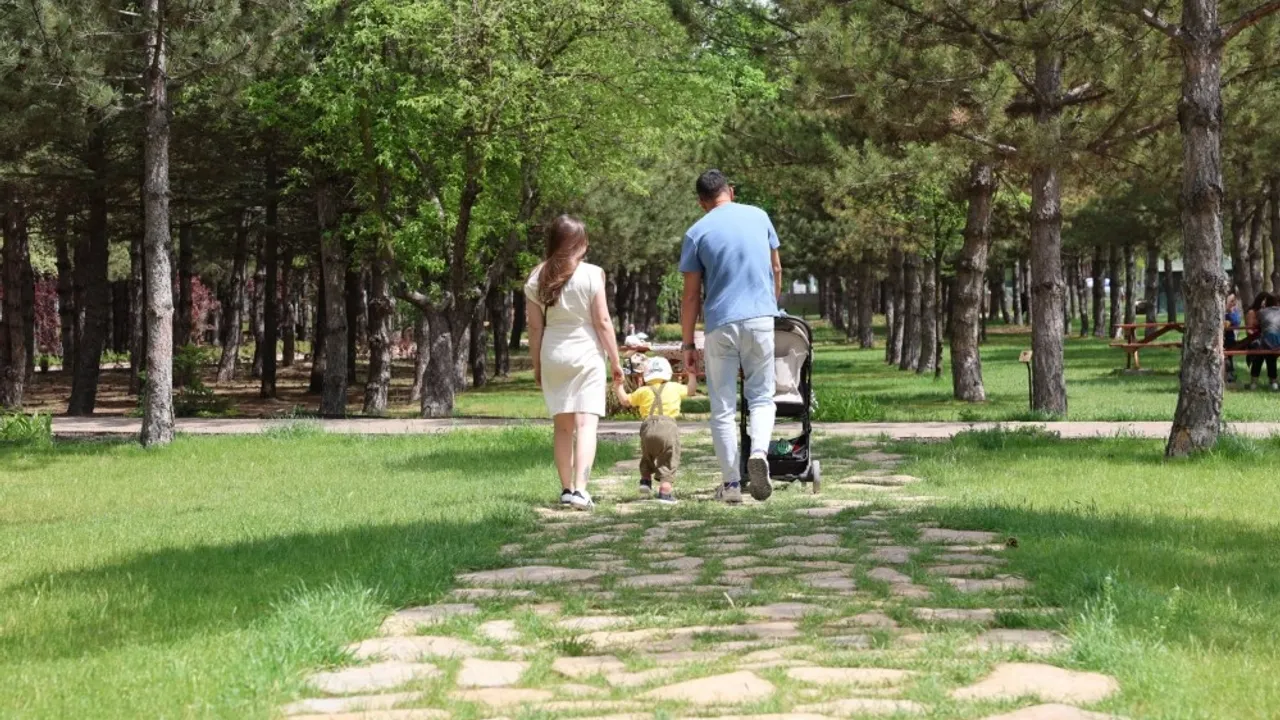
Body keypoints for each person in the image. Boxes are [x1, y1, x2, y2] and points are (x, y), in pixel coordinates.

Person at [679, 169, 783, 504]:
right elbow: (776, 268)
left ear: (701, 202)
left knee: (722, 407)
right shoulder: (760, 217)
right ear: (731, 192)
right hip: (760, 318)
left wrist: (687, 343)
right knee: (762, 396)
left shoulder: (696, 232)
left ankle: (731, 485)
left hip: (720, 324)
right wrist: (770, 307)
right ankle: (760, 453)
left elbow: (691, 296)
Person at [525, 215, 625, 510]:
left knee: (563, 427)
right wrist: (616, 361)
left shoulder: (536, 276)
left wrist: (537, 365)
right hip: (586, 353)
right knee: (586, 424)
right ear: (578, 243)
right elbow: (602, 321)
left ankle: (567, 489)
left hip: (553, 352)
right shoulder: (592, 274)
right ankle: (581, 489)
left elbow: (534, 328)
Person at [613, 357, 698, 505]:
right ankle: (665, 491)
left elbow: (625, 400)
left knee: (647, 455)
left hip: (648, 429)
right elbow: (691, 390)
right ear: (668, 373)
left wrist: (618, 386)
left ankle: (645, 480)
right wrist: (691, 374)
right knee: (669, 458)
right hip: (668, 428)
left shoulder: (643, 391)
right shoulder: (674, 387)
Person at [1245, 292, 1280, 391]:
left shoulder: (1261, 312)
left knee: (1259, 355)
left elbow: (1256, 324)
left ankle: (1253, 383)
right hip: (1277, 343)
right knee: (1270, 356)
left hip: (1265, 341)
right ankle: (1273, 383)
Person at [1224, 292, 1242, 384]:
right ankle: (1227, 375)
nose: (1234, 303)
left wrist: (1230, 311)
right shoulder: (1220, 312)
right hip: (1221, 340)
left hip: (1229, 339)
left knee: (1229, 356)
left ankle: (1229, 375)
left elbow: (1236, 322)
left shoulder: (1233, 312)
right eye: (1231, 301)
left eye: (1234, 301)